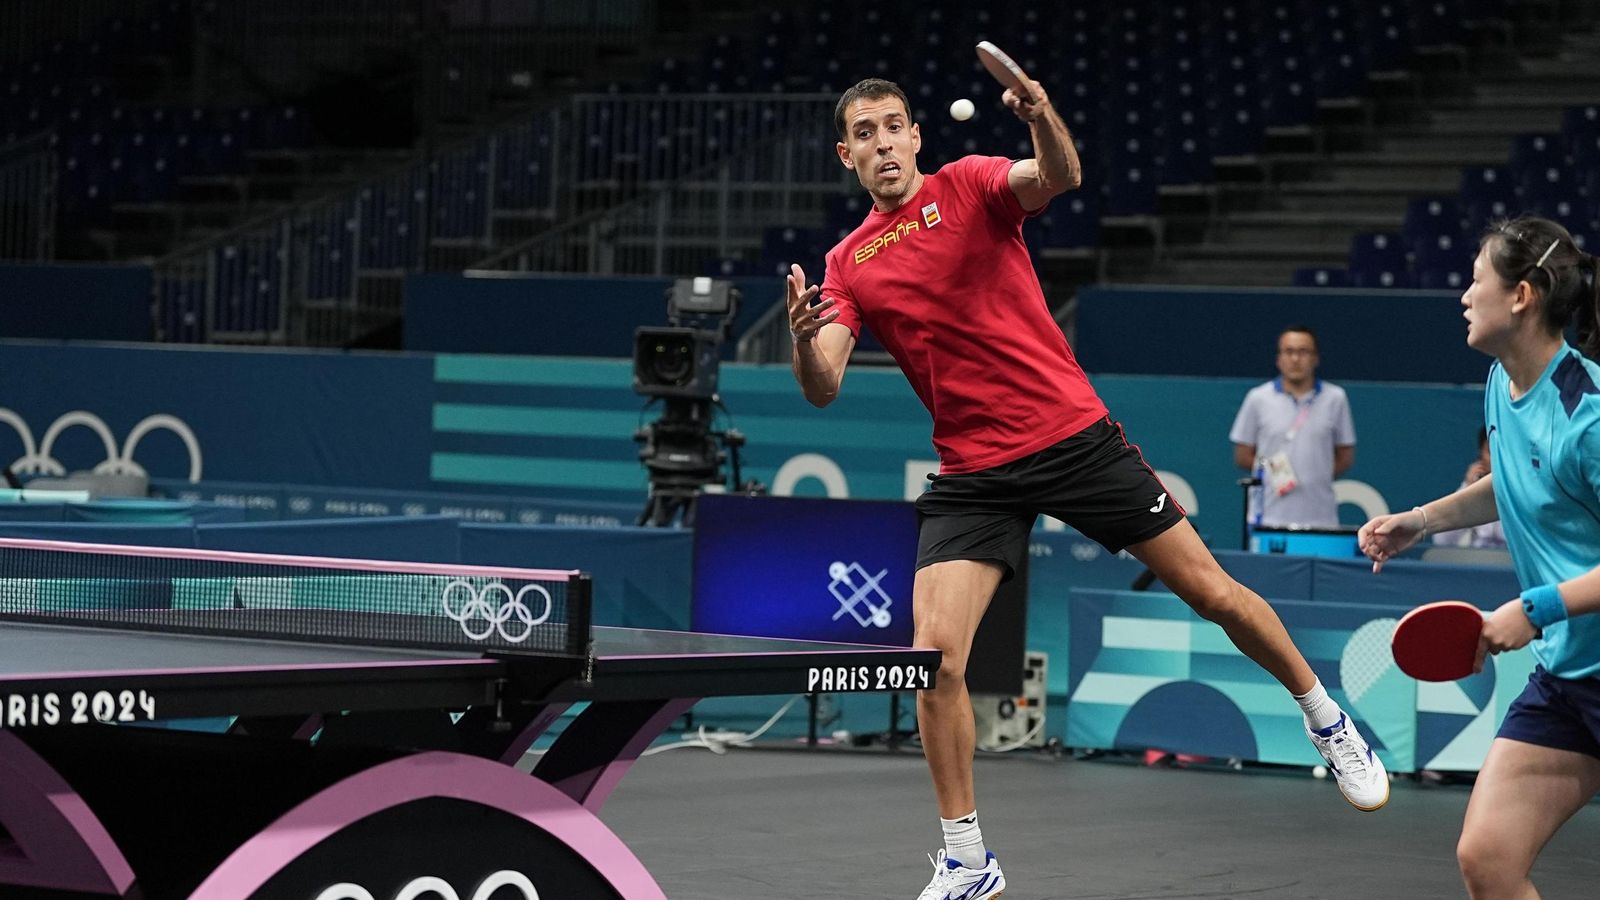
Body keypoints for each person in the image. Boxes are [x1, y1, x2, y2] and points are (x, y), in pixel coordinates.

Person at [786, 75, 1388, 900]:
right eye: (865, 133)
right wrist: (800, 342)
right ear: (845, 154)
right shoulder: (847, 261)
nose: (883, 143)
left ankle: (1327, 718)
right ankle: (967, 859)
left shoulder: (967, 185)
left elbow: (1056, 177)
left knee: (1211, 591)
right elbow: (824, 384)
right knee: (934, 658)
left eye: (894, 127)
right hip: (973, 472)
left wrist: (1043, 120)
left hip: (1069, 435)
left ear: (916, 136)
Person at [1357, 215, 1600, 900]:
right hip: (1568, 678)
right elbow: (1523, 478)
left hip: (1567, 638)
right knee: (1488, 860)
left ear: (1521, 295)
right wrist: (1421, 522)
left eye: (1475, 280)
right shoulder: (1504, 381)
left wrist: (1536, 608)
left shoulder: (1590, 417)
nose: (1464, 296)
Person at [1230, 326, 1357, 528]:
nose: (1296, 359)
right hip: (1268, 518)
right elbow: (1243, 455)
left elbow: (1345, 456)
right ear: (1278, 359)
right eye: (1289, 352)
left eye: (1303, 352)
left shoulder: (1335, 398)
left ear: (1316, 358)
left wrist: (1315, 473)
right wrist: (1273, 471)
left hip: (1321, 519)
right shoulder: (1258, 398)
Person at [1430, 427, 1507, 549]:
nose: (1496, 459)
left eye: (1502, 452)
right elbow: (1442, 541)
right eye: (1490, 451)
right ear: (1480, 453)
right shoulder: (1469, 486)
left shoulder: (1524, 491)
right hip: (1475, 562)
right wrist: (1468, 488)